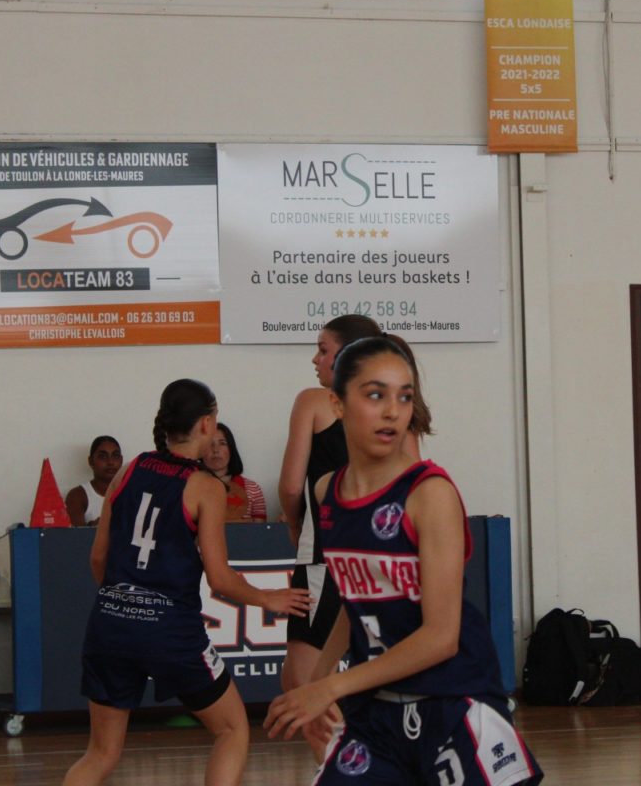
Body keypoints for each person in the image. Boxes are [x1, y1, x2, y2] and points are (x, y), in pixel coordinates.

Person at [266, 335, 541, 785]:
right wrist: (316, 682)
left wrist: (331, 686)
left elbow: (441, 638)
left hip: (452, 703)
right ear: (337, 403)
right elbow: (353, 602)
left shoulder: (430, 494)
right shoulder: (327, 491)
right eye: (376, 395)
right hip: (377, 711)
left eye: (404, 396)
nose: (393, 411)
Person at [63, 379, 311, 786]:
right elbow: (220, 578)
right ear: (207, 423)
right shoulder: (206, 487)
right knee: (232, 729)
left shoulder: (129, 470)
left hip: (108, 623)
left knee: (100, 753)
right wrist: (268, 598)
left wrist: (122, 604)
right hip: (170, 630)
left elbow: (97, 558)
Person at [279, 316, 428, 694]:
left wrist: (295, 526)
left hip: (328, 551)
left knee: (304, 683)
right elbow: (413, 489)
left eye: (323, 350)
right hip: (382, 555)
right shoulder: (399, 415)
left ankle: (348, 737)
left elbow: (291, 487)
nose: (315, 359)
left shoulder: (313, 401)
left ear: (347, 355)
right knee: (322, 676)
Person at [205, 423, 266, 522]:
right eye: (209, 444)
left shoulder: (252, 489)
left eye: (222, 443)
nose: (216, 450)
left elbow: (260, 529)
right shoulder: (191, 486)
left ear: (231, 449)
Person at [66, 435, 123, 527]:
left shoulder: (132, 493)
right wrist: (92, 527)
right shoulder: (78, 496)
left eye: (115, 456)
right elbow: (75, 534)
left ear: (121, 460)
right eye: (102, 456)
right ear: (91, 461)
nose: (110, 462)